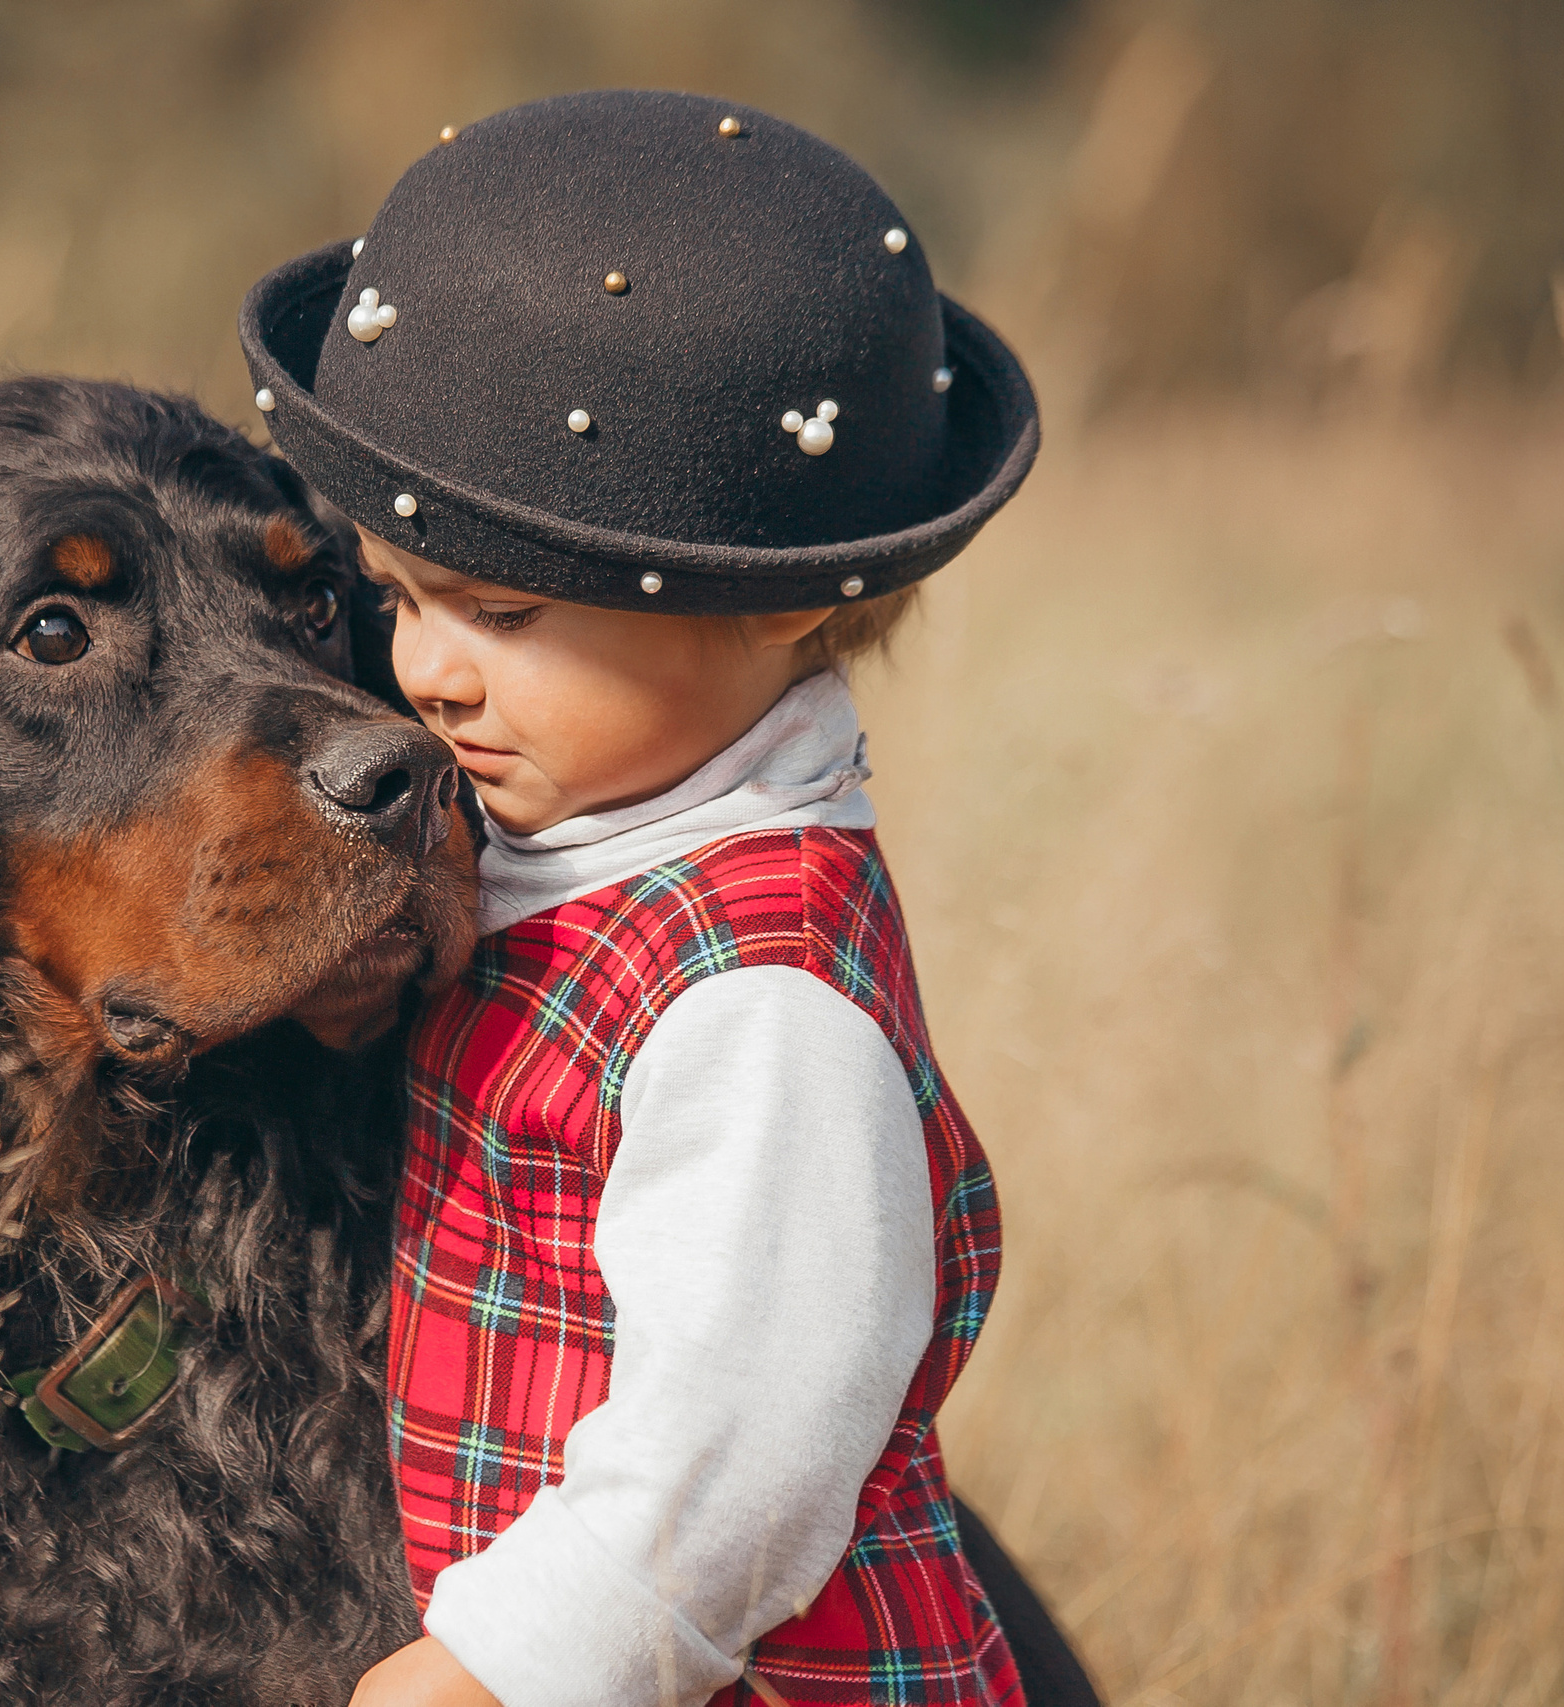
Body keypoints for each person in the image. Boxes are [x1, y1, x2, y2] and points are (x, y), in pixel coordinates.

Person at [239, 90, 1043, 1707]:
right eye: (399, 598)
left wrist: (501, 1663)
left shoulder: (758, 1004)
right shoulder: (575, 841)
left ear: (782, 604)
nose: (428, 674)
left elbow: (752, 1435)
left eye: (508, 607)